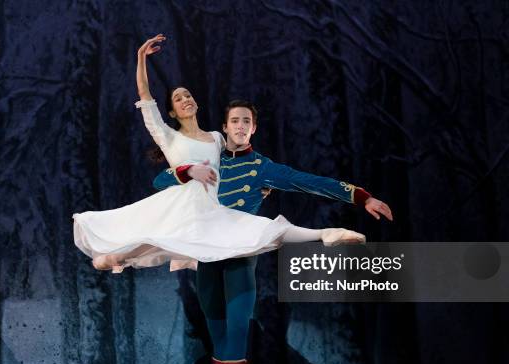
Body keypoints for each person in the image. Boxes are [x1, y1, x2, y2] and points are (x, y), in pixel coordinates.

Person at [152, 100, 393, 364]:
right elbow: (160, 180)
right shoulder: (208, 158)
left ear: (253, 129)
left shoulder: (261, 167)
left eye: (246, 122)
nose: (240, 126)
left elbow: (307, 181)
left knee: (239, 326)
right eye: (235, 121)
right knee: (217, 331)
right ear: (225, 127)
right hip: (207, 252)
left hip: (241, 250)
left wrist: (361, 197)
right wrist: (189, 171)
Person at [72, 33, 366, 274]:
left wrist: (257, 186)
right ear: (172, 111)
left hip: (212, 207)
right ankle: (116, 258)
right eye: (178, 98)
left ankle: (327, 233)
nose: (185, 99)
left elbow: (236, 161)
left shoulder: (215, 137)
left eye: (188, 95)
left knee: (259, 230)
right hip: (182, 202)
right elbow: (145, 97)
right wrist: (140, 58)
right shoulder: (167, 136)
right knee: (154, 237)